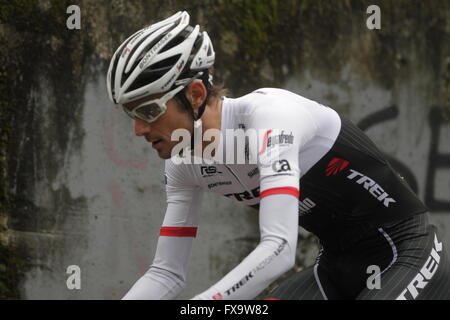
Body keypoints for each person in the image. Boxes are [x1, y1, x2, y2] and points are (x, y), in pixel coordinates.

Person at [106, 11, 450, 300]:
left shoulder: (270, 118)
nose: (139, 129)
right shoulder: (183, 164)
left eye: (149, 111)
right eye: (131, 115)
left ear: (195, 94)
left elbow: (280, 249)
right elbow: (166, 273)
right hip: (334, 268)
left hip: (408, 253)